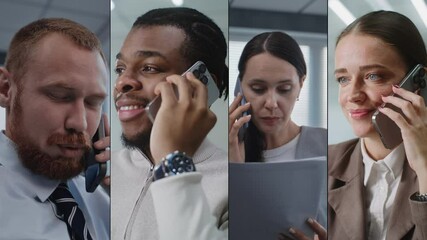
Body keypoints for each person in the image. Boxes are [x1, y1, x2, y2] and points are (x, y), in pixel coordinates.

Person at [111, 7, 228, 240]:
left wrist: (172, 161)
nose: (122, 82)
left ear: (199, 85)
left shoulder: (235, 185)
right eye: (120, 69)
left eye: (149, 67)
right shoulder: (104, 171)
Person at [0, 18, 110, 239]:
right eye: (59, 96)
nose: (80, 123)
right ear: (5, 90)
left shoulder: (104, 200)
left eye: (92, 102)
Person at [329, 10, 427, 239]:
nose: (352, 95)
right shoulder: (322, 165)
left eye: (373, 76)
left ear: (417, 82)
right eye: (343, 79)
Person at [228, 31, 327, 240]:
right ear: (241, 88)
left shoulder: (327, 145)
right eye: (257, 88)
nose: (271, 103)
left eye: (284, 89)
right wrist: (235, 169)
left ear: (301, 84)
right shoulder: (227, 151)